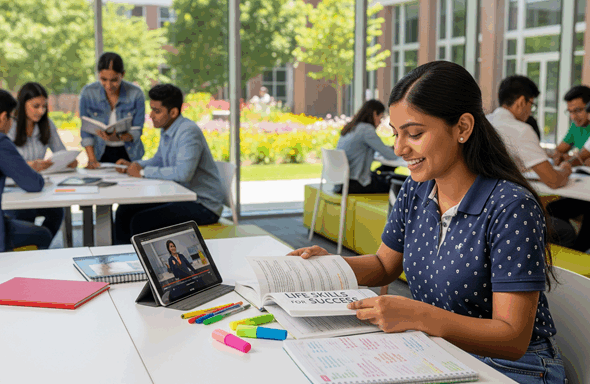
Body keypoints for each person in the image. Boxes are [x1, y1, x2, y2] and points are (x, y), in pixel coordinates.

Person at [290, 61, 566, 384]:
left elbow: (513, 338)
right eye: (395, 134)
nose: (399, 148)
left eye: (415, 134)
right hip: (440, 352)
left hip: (513, 368)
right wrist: (328, 268)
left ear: (463, 128)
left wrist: (417, 316)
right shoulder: (417, 189)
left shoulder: (511, 207)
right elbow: (383, 265)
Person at [113, 84, 224, 244]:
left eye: (157, 111)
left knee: (141, 221)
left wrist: (143, 173)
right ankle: (121, 262)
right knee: (125, 210)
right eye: (151, 109)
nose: (151, 115)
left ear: (173, 112)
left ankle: (141, 264)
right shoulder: (167, 129)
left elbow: (183, 174)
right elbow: (159, 160)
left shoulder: (188, 132)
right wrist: (133, 165)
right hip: (182, 196)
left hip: (204, 205)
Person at [487, 75, 578, 249]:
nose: (531, 110)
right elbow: (553, 181)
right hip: (508, 214)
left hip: (486, 210)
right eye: (532, 104)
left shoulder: (485, 121)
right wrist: (566, 169)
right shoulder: (521, 129)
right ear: (522, 101)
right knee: (566, 231)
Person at [4, 82, 76, 240]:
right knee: (23, 215)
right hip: (15, 189)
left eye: (44, 106)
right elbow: (6, 163)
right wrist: (30, 166)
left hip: (39, 186)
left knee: (57, 212)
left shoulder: (47, 124)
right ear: (23, 105)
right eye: (35, 106)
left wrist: (69, 160)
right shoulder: (9, 125)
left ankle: (40, 246)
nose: (41, 111)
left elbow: (61, 152)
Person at [0, 90, 52, 252]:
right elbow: (33, 183)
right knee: (43, 235)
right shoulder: (2, 143)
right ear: (3, 117)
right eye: (11, 117)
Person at [79, 52, 145, 169]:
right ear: (98, 74)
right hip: (99, 153)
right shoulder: (88, 93)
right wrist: (92, 160)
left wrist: (118, 138)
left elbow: (137, 131)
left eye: (114, 80)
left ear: (123, 74)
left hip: (129, 153)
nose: (108, 85)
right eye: (103, 79)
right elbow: (86, 131)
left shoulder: (136, 94)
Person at [334, 99, 400, 194]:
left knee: (389, 174)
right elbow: (391, 156)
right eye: (380, 117)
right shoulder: (366, 129)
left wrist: (386, 149)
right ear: (374, 114)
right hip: (355, 183)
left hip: (342, 183)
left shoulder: (351, 127)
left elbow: (370, 148)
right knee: (401, 184)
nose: (380, 122)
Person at [552, 85, 590, 165]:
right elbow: (559, 150)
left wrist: (569, 159)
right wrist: (560, 156)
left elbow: (581, 158)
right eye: (570, 111)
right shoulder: (576, 126)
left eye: (578, 110)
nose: (573, 117)